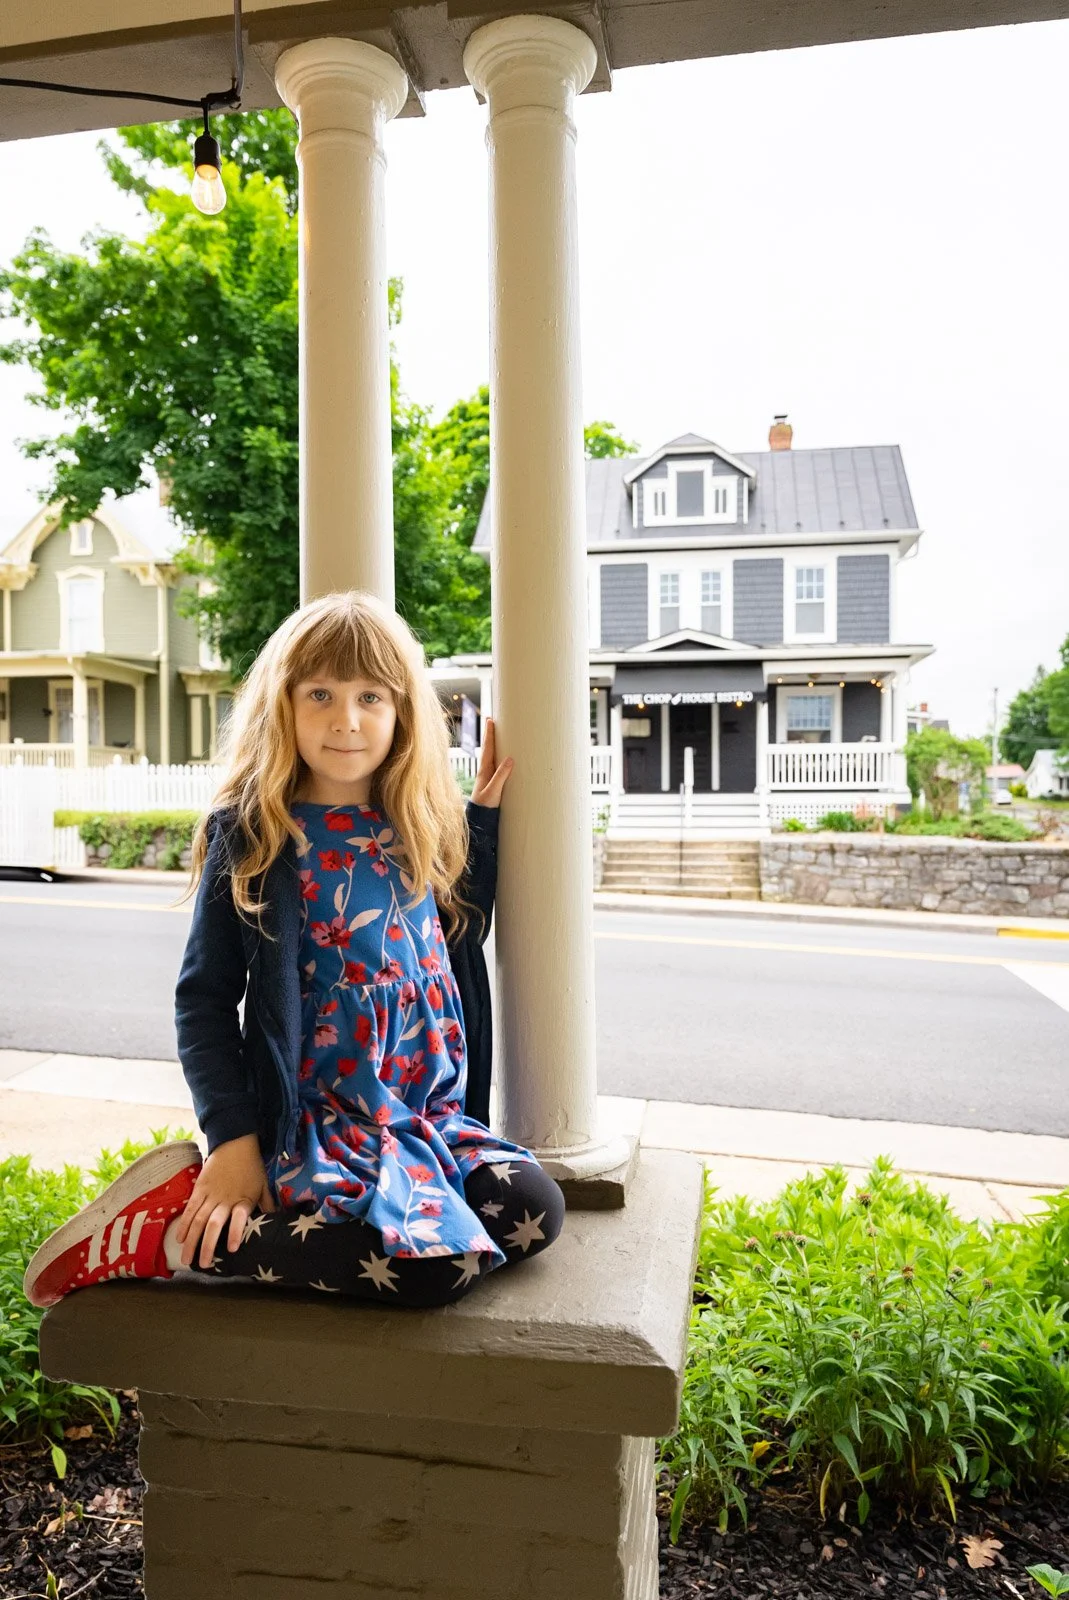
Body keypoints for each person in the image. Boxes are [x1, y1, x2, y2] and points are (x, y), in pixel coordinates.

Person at [24, 591, 565, 1310]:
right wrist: (233, 1140)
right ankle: (173, 1238)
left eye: (372, 695)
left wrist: (483, 823)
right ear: (282, 704)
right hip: (323, 1126)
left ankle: (268, 1231)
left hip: (423, 1121)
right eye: (320, 694)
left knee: (534, 1208)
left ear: (404, 712)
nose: (346, 719)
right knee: (434, 1271)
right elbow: (204, 1000)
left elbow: (452, 941)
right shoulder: (255, 836)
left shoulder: (420, 825)